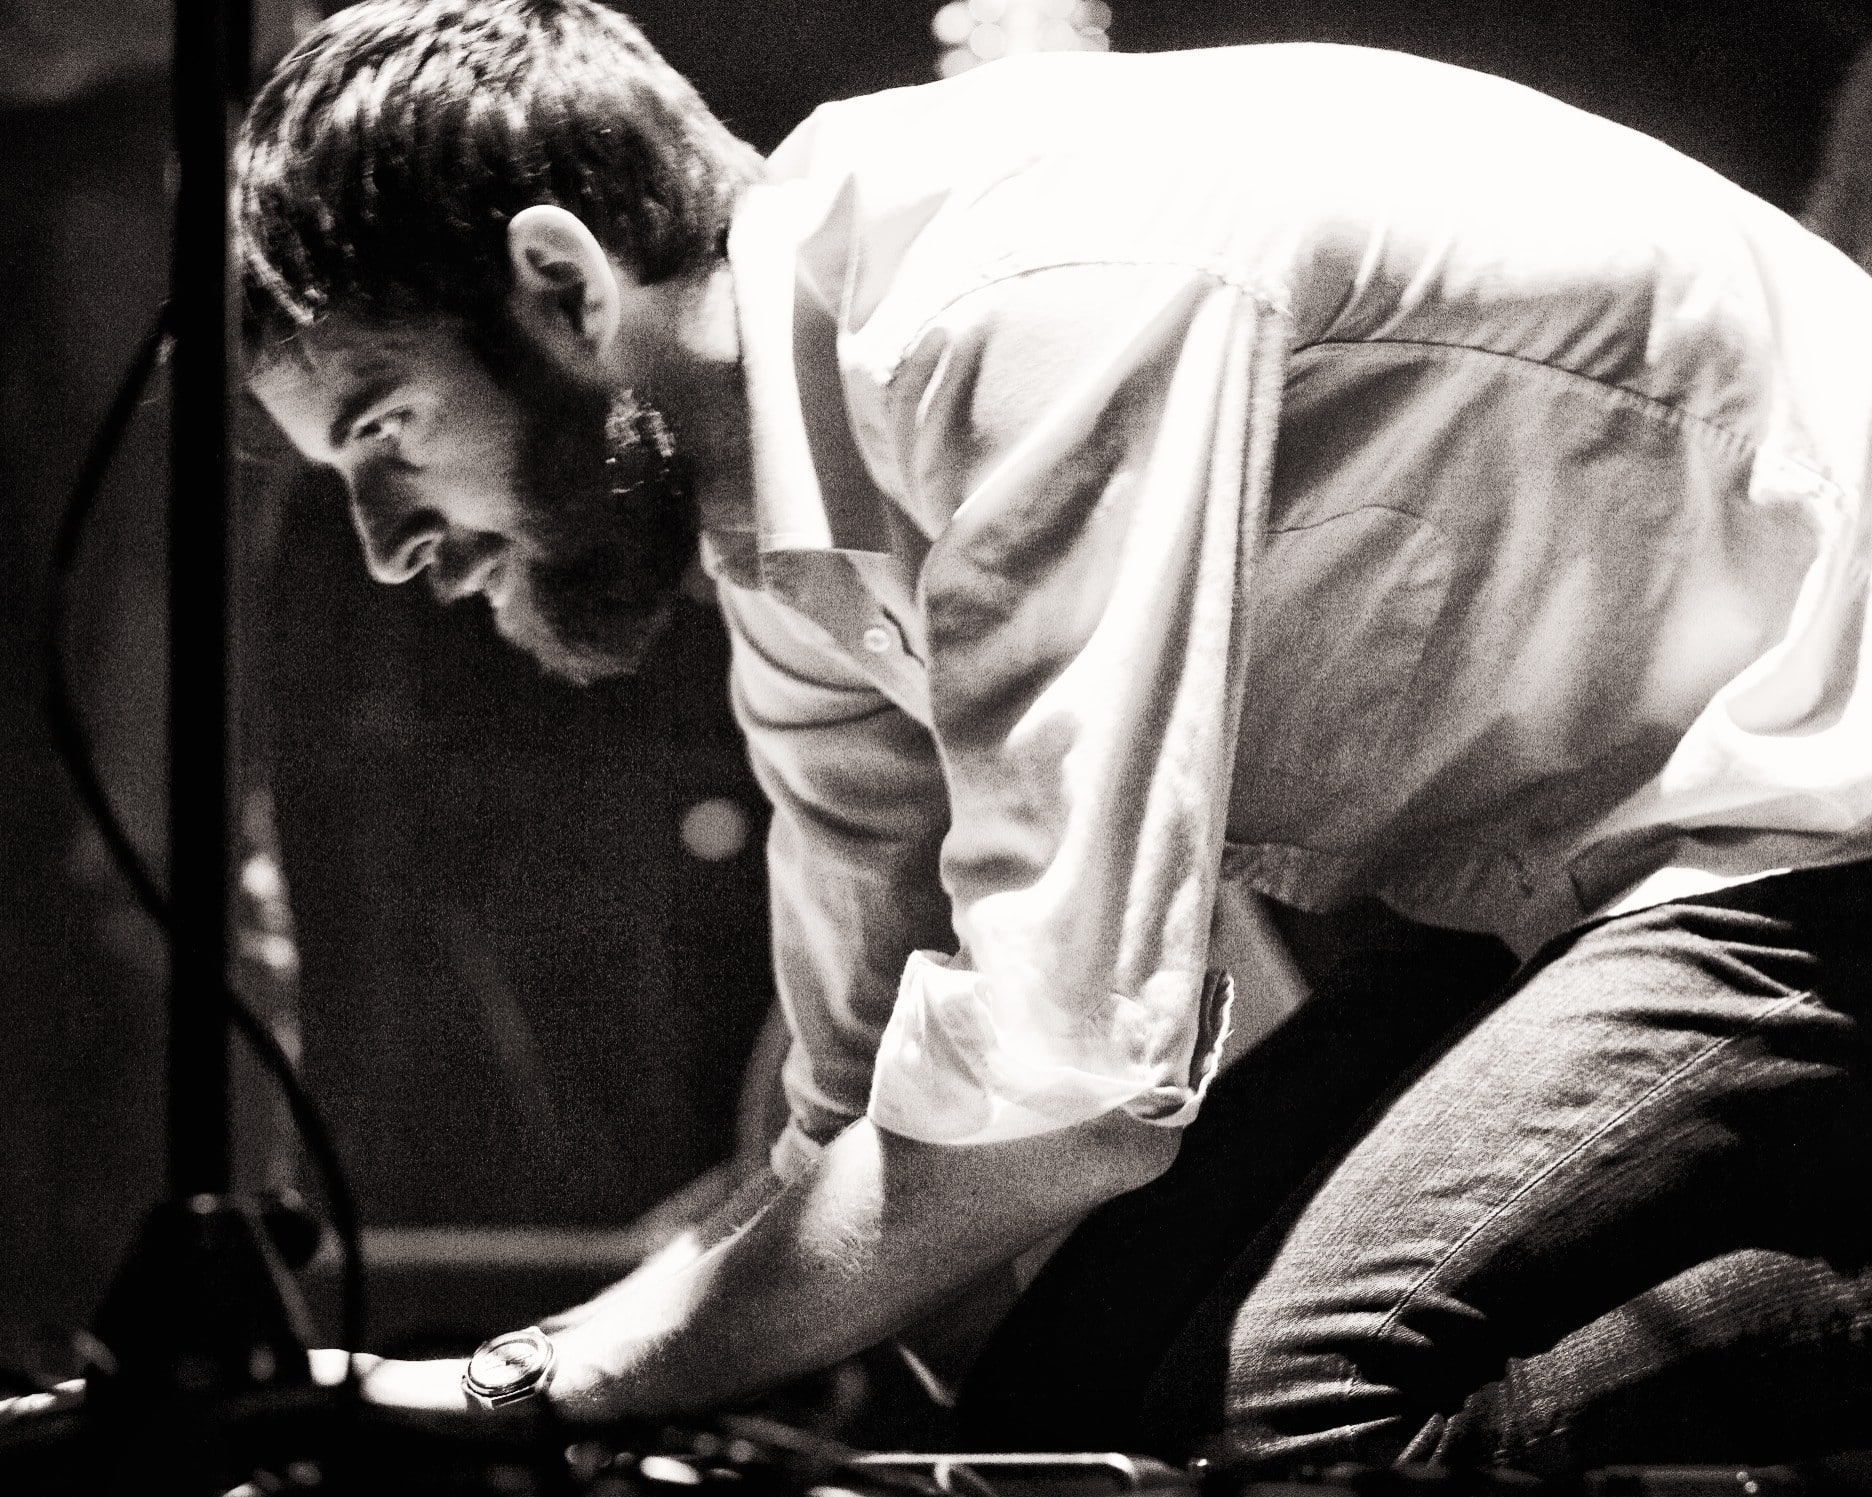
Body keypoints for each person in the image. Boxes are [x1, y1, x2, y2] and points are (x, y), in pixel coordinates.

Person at [238, 0, 1872, 1472]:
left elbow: (1059, 1072)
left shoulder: (1009, 299)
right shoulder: (792, 538)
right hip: (1587, 874)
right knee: (1065, 1414)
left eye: (385, 427)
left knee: (1291, 1416)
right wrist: (577, 1381)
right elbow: (867, 1127)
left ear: (560, 282)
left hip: (1817, 800)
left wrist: (536, 1381)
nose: (383, 545)